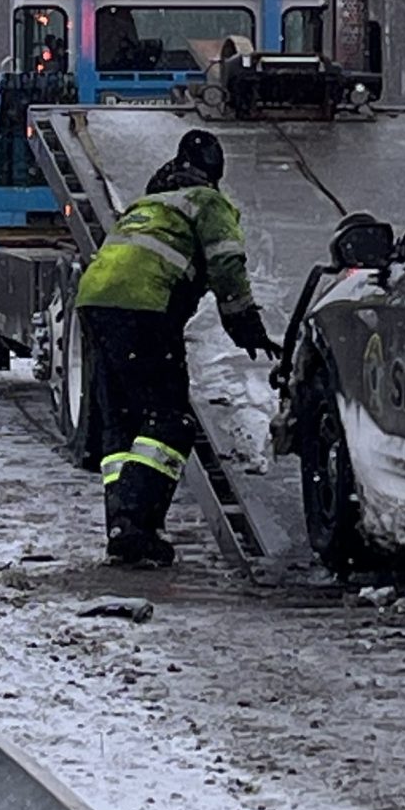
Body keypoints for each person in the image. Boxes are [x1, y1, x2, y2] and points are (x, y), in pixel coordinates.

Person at [75, 127, 275, 566]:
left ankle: (125, 527)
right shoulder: (207, 202)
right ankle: (133, 523)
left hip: (94, 302)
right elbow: (226, 263)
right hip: (144, 308)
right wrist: (247, 328)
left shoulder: (148, 204)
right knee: (171, 422)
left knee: (123, 423)